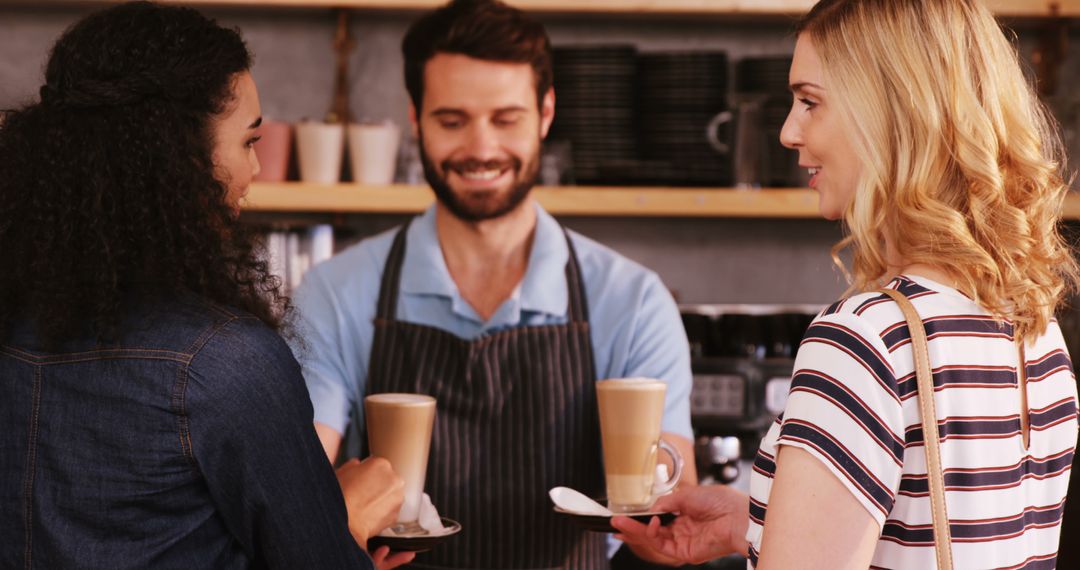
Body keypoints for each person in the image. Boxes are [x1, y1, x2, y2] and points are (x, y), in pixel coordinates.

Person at [614, 0, 1080, 568]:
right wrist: (752, 522)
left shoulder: (868, 340)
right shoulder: (1030, 323)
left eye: (810, 102)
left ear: (893, 114)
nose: (788, 132)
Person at [0, 2, 412, 568]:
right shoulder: (224, 363)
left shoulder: (12, 323)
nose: (256, 171)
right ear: (177, 157)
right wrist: (349, 518)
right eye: (248, 141)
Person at [289, 0, 697, 567]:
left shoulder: (632, 300)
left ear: (546, 112)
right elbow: (296, 492)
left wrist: (664, 527)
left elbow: (670, 529)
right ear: (415, 118)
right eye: (452, 121)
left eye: (505, 119)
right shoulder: (335, 294)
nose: (481, 149)